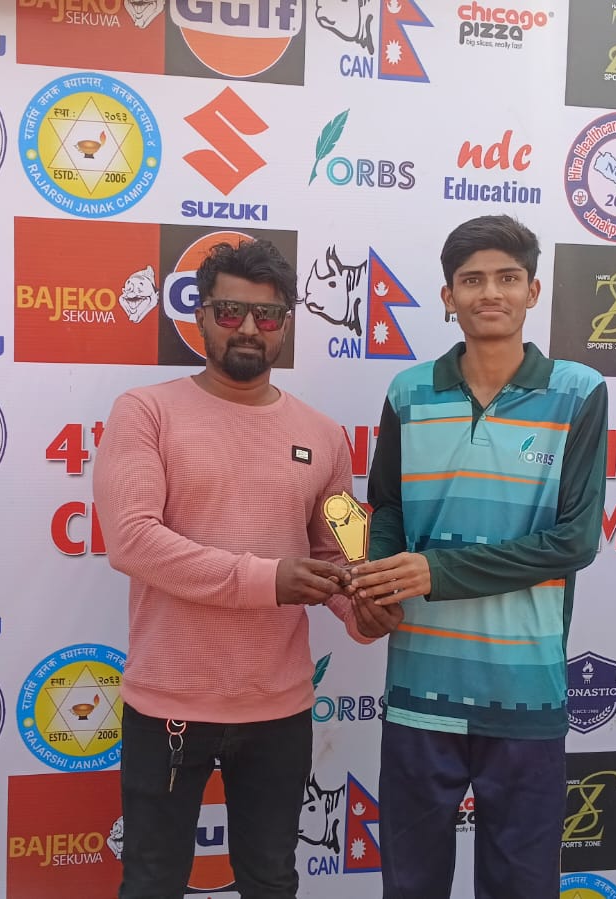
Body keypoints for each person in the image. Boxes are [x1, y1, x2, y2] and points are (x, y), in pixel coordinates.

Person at [94, 239, 388, 899]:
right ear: (200, 316)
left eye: (267, 314)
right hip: (169, 705)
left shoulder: (325, 435)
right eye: (230, 312)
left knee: (271, 879)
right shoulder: (145, 412)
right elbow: (132, 541)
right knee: (151, 882)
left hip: (279, 707)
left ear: (286, 323)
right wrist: (267, 580)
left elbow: (340, 553)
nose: (249, 327)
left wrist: (364, 610)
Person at [348, 215, 608, 899]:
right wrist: (376, 585)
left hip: (526, 692)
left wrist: (436, 572)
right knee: (410, 886)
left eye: (506, 278)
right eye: (471, 280)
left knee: (521, 886)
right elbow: (387, 508)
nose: (489, 293)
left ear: (532, 291)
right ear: (448, 296)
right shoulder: (408, 392)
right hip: (418, 691)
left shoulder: (578, 392)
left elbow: (574, 541)